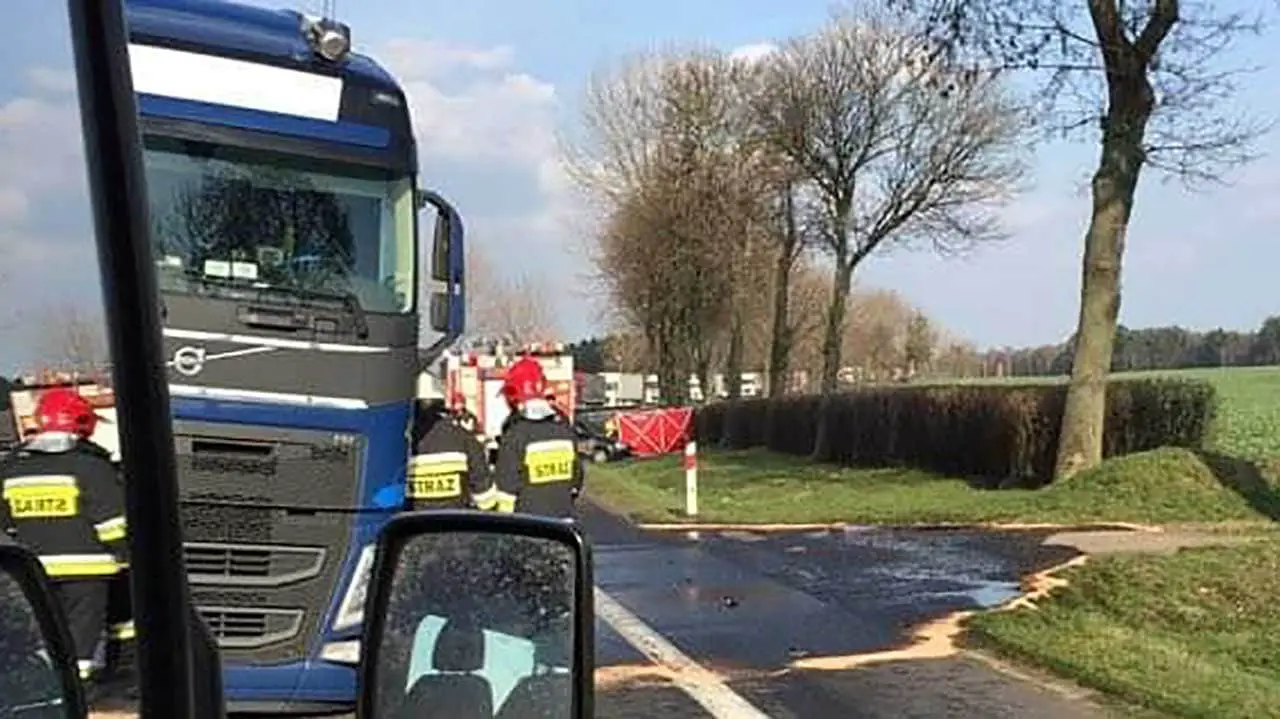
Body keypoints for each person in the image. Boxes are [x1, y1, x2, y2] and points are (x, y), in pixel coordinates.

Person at [0, 387, 128, 685]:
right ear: (82, 422)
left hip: (33, 573)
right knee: (83, 636)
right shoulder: (91, 466)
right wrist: (129, 555)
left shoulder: (10, 469)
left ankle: (48, 686)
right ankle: (81, 688)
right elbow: (113, 525)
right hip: (88, 571)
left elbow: (5, 524)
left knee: (47, 633)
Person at [489, 357, 583, 519]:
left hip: (529, 526)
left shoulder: (515, 436)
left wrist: (503, 527)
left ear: (513, 394)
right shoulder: (565, 431)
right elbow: (576, 480)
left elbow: (506, 493)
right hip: (563, 525)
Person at [409, 378, 495, 511]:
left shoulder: (400, 443)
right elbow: (486, 499)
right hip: (455, 521)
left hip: (415, 523)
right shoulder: (465, 439)